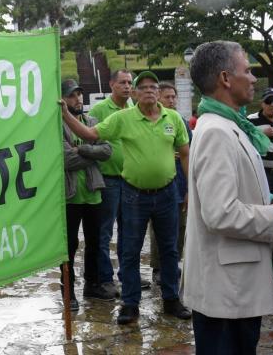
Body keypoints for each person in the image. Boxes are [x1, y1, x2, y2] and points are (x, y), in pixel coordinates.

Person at [182, 41, 273, 355]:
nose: (254, 78)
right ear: (225, 78)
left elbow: (235, 188)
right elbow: (219, 213)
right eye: (247, 70)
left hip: (234, 284)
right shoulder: (217, 131)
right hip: (226, 289)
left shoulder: (228, 125)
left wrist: (270, 199)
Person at [62, 70, 191, 325]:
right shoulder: (123, 118)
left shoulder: (173, 118)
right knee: (130, 251)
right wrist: (65, 114)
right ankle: (130, 304)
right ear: (135, 92)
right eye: (142, 87)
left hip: (167, 194)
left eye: (153, 86)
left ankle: (171, 298)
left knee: (169, 249)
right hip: (134, 195)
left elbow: (185, 153)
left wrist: (190, 188)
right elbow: (91, 135)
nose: (149, 91)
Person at [86, 69, 148, 299]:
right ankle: (105, 278)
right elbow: (89, 139)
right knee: (105, 232)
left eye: (130, 82)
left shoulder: (134, 108)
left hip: (131, 179)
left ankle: (128, 274)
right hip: (109, 179)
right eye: (122, 82)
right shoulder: (99, 110)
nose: (127, 86)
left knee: (130, 230)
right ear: (111, 84)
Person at [59, 79, 113, 309]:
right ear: (62, 99)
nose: (78, 99)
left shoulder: (91, 121)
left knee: (94, 242)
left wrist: (80, 148)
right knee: (69, 245)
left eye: (79, 94)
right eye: (72, 95)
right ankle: (67, 291)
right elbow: (64, 159)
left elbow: (107, 150)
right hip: (69, 195)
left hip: (93, 192)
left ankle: (92, 284)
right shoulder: (56, 126)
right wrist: (92, 153)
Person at [149, 82, 189, 286]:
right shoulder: (151, 121)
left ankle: (174, 263)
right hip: (160, 183)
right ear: (158, 98)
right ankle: (158, 266)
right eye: (167, 97)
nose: (172, 100)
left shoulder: (180, 120)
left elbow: (188, 152)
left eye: (174, 97)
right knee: (159, 228)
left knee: (180, 227)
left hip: (180, 182)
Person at [247, 88, 273, 194]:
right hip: (263, 171)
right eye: (268, 101)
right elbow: (245, 141)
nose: (272, 104)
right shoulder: (251, 119)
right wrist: (262, 134)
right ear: (262, 103)